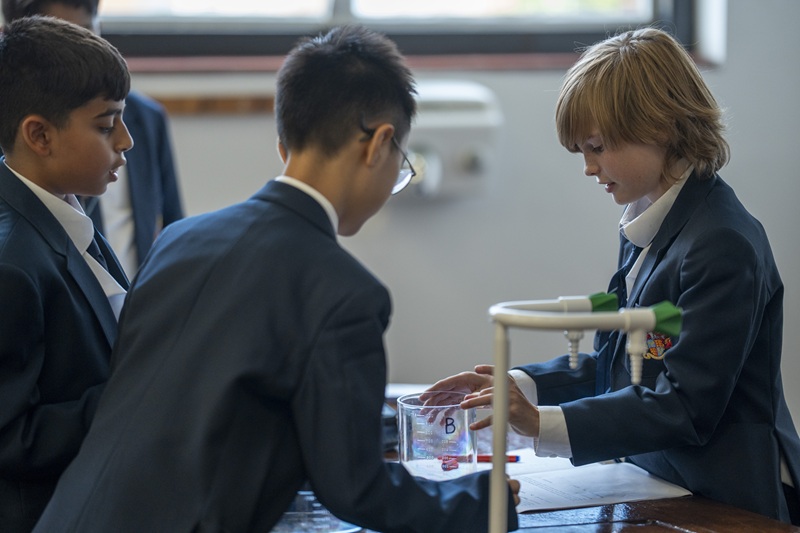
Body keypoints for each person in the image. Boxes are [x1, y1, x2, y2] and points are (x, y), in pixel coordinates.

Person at [32, 25, 520, 533]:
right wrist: (483, 500)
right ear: (379, 144)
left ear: (284, 139)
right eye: (401, 166)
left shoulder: (180, 239)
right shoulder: (345, 292)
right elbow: (354, 488)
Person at [422, 27, 800, 525]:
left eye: (597, 147)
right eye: (582, 150)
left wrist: (542, 423)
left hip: (728, 496)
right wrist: (519, 387)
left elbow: (686, 405)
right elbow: (623, 362)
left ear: (660, 126)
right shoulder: (650, 219)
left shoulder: (721, 244)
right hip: (659, 478)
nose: (588, 167)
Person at [0, 16, 133, 532]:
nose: (125, 141)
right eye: (105, 125)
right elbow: (11, 438)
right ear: (40, 135)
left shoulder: (66, 208)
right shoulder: (13, 263)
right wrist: (138, 393)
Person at [2, 0, 184, 278]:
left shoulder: (147, 118)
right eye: (61, 39)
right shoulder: (14, 262)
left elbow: (173, 226)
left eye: (86, 33)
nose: (78, 53)